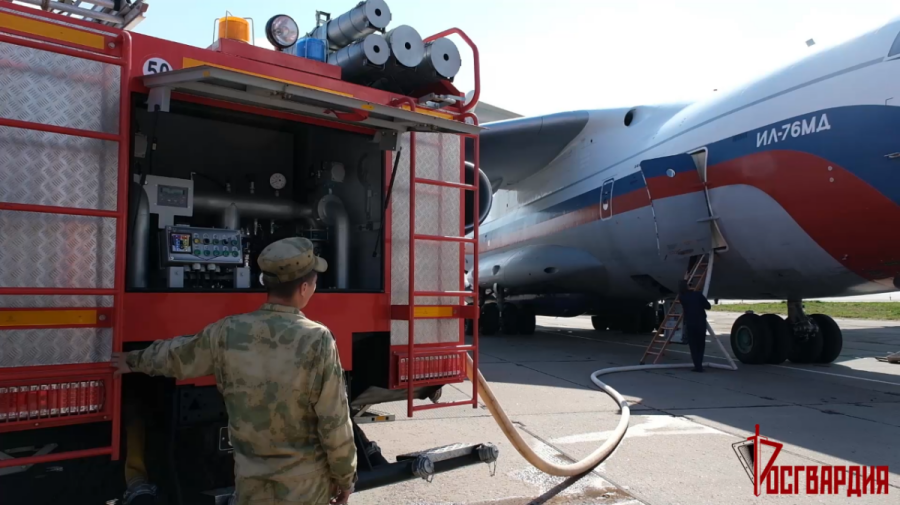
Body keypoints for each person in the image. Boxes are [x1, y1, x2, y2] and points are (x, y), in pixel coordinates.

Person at [113, 237, 357, 505]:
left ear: (266, 282)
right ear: (304, 288)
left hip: (251, 484)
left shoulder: (227, 331)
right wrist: (345, 478)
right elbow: (334, 421)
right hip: (305, 488)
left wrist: (132, 360)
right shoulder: (317, 339)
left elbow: (178, 355)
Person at [677, 279, 711, 372]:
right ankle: (700, 365)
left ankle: (697, 365)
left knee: (693, 346)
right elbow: (708, 306)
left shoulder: (682, 297)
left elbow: (684, 293)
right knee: (701, 345)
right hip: (700, 323)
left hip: (690, 324)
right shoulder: (698, 295)